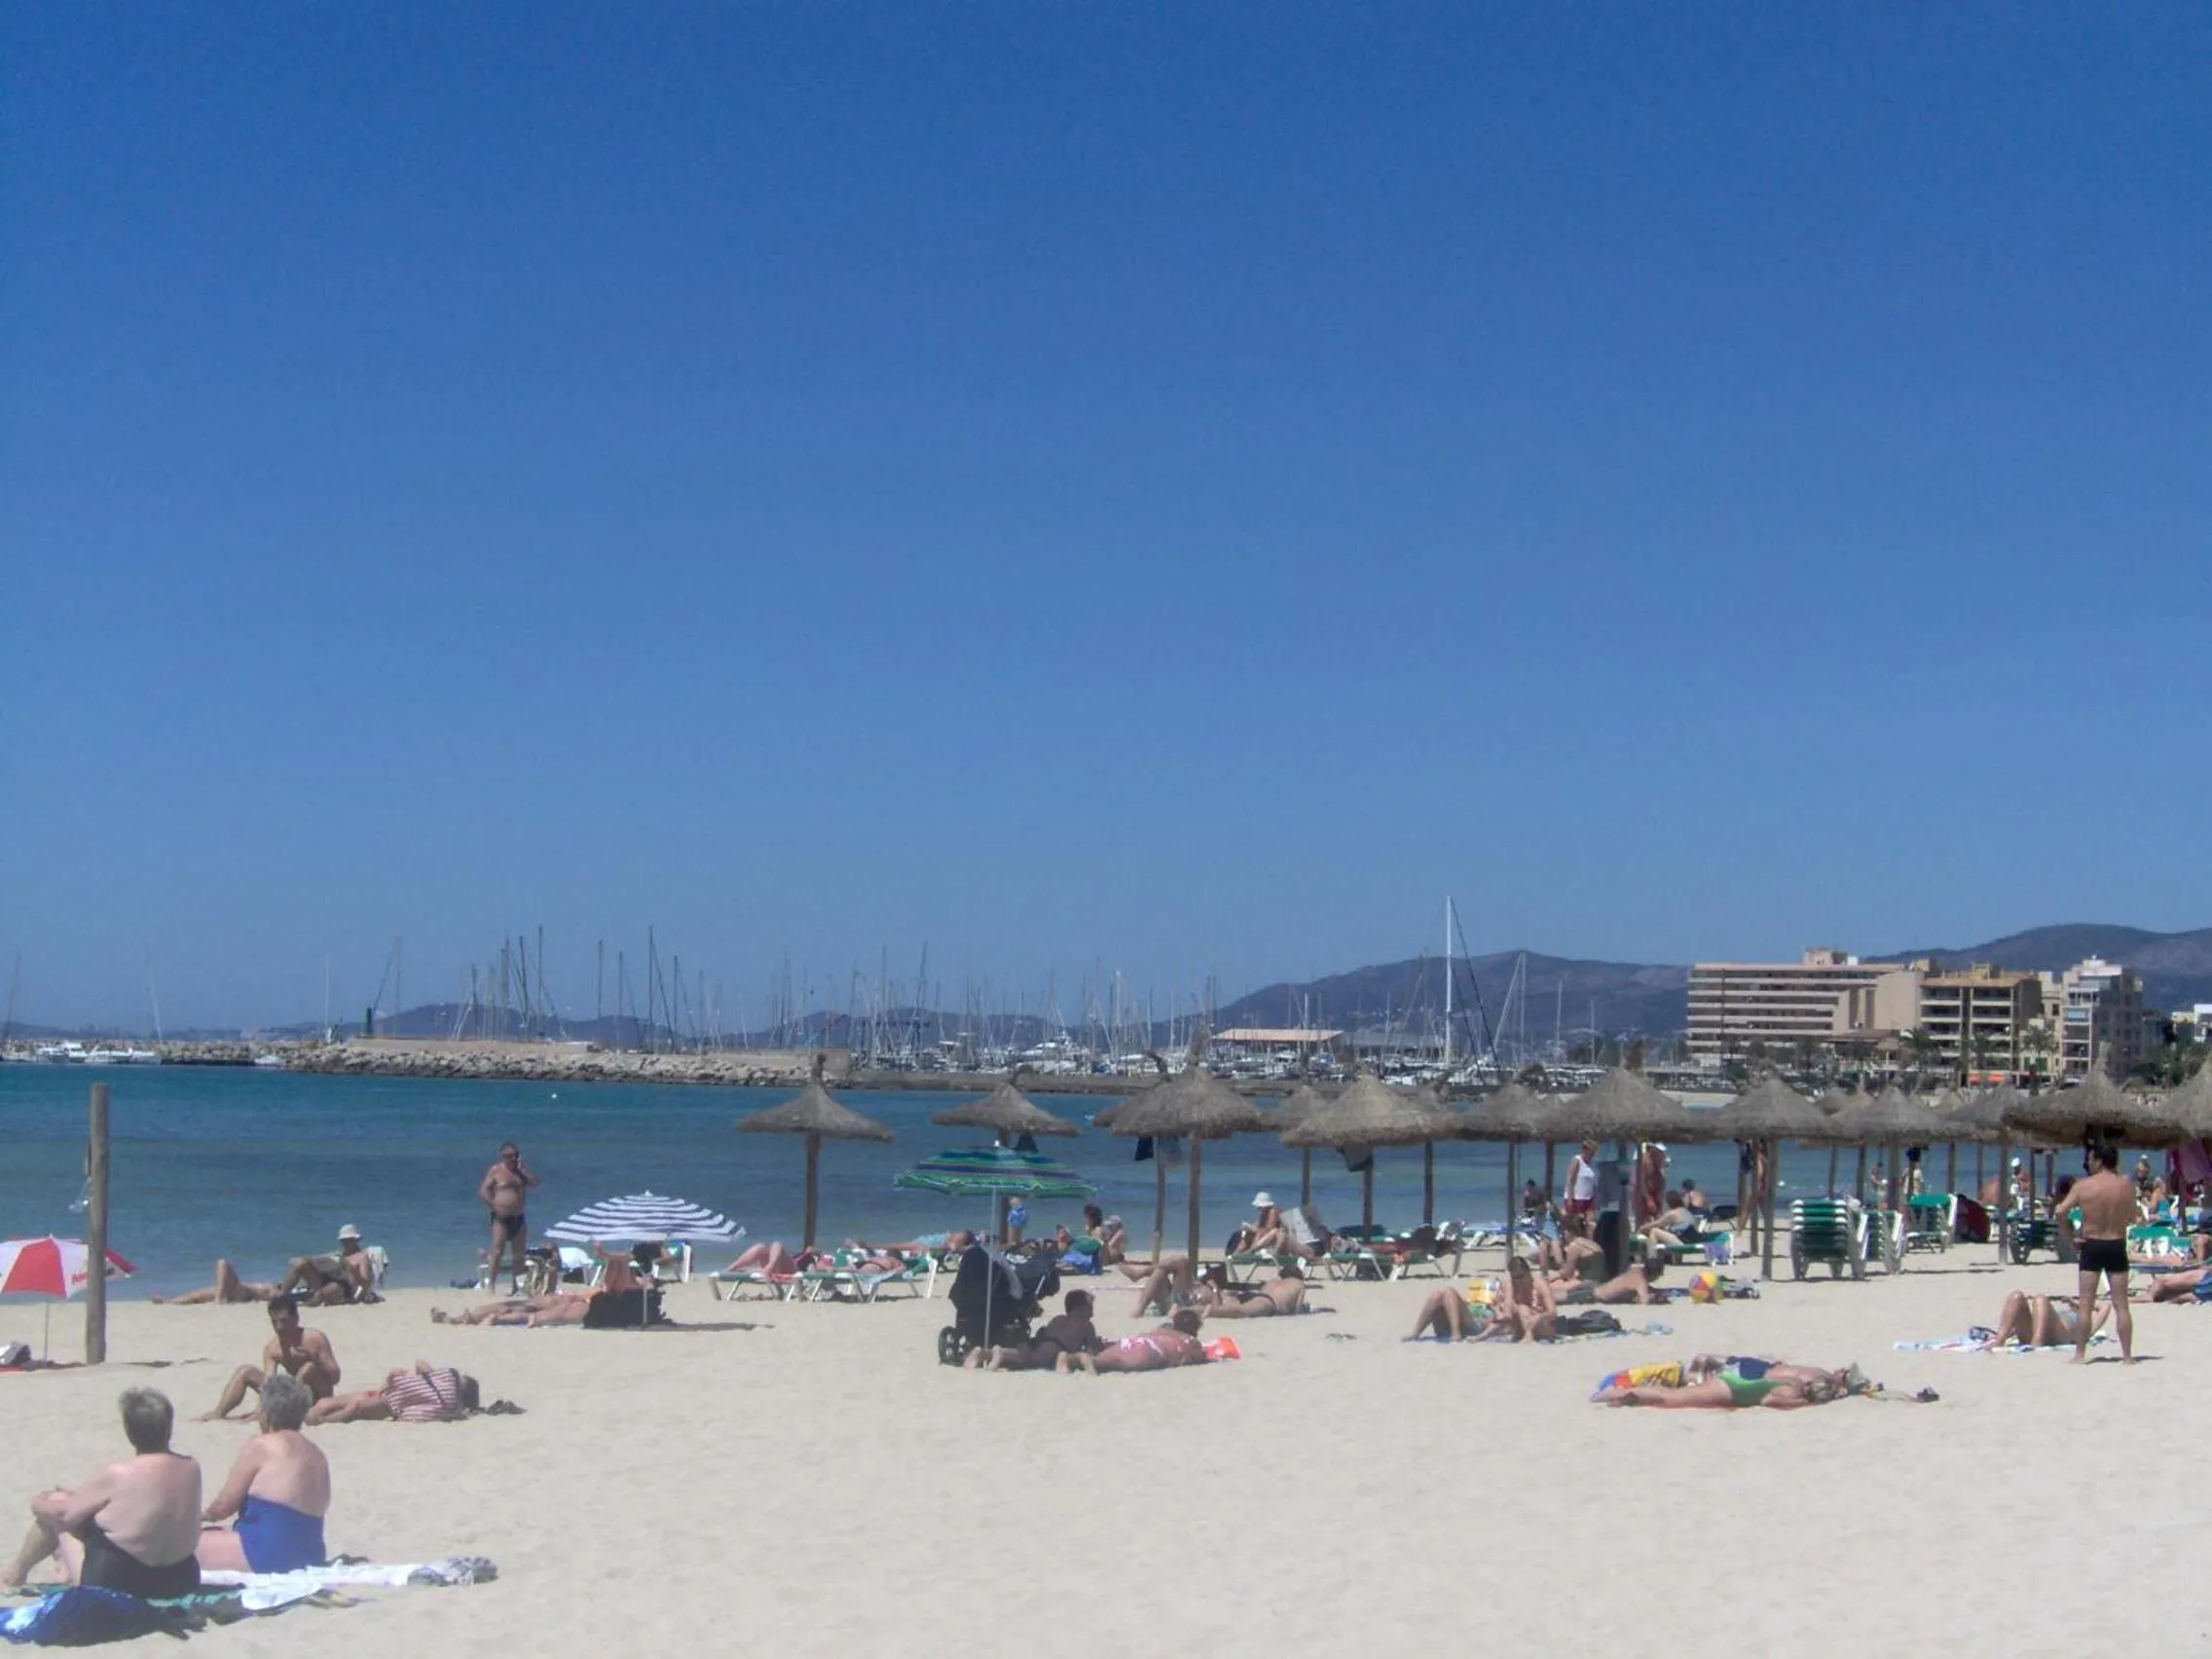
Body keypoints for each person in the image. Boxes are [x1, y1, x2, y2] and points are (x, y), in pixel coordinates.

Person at [5, 1389, 202, 1596]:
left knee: (57, 1504)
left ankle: (15, 1575)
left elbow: (64, 1514)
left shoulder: (120, 1473)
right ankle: (58, 1568)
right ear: (168, 1426)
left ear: (129, 1430)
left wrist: (37, 1502)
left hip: (118, 1584)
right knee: (81, 1509)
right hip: (180, 1581)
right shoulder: (191, 1468)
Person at [194, 1373, 329, 1574]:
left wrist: (202, 1516)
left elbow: (224, 1506)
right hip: (311, 1554)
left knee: (181, 1544)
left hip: (268, 1553)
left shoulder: (262, 1445)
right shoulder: (316, 1453)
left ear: (267, 1414)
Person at [198, 1295, 341, 1421]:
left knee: (308, 1368)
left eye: (284, 1321)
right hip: (292, 1396)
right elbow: (268, 1383)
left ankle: (276, 1409)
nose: (279, 1327)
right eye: (275, 1322)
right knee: (245, 1371)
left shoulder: (315, 1339)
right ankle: (219, 1412)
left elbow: (335, 1377)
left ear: (296, 1318)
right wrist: (261, 1408)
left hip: (319, 1396)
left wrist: (315, 1359)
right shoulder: (273, 1348)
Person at [2058, 1140, 2137, 1363]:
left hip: (2092, 1245)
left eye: (2090, 1159)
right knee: (2122, 1305)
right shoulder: (2126, 1185)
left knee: (2085, 1304)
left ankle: (2080, 1355)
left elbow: (2060, 1212)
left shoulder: (2083, 1186)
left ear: (2100, 1161)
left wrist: (2069, 1238)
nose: (2088, 1163)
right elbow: (2132, 1217)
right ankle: (2127, 1356)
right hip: (2116, 1244)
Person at [1409, 1258, 1557, 1343]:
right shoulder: (1510, 1285)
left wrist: (1497, 1311)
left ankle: (1456, 1334)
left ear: (1528, 1272)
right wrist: (1494, 1307)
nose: (1517, 1281)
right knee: (1436, 1295)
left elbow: (1551, 1312)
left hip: (1481, 1324)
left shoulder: (1540, 1285)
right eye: (1514, 1277)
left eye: (1520, 1277)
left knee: (1448, 1291)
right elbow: (1506, 1313)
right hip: (1480, 1317)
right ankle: (1415, 1333)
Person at [966, 1289, 1101, 1371]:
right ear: (1078, 1308)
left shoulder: (1058, 1319)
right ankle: (999, 1353)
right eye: (1090, 1309)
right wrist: (1098, 1345)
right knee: (1030, 1362)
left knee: (1023, 1356)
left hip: (1036, 1343)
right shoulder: (1086, 1325)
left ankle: (985, 1353)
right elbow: (1092, 1350)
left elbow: (1044, 1333)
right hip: (1055, 1349)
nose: (1092, 1313)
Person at [306, 1362, 480, 1425]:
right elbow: (416, 1414)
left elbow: (420, 1364)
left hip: (388, 1398)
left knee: (352, 1405)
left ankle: (321, 1420)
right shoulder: (448, 1406)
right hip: (389, 1399)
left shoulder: (447, 1378)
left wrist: (429, 1377)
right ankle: (319, 1418)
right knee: (346, 1404)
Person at [1598, 1372, 1844, 1410]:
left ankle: (1626, 1395)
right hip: (1729, 1391)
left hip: (1733, 1383)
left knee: (1674, 1395)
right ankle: (1616, 1394)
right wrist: (1804, 1404)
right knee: (1672, 1398)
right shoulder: (1794, 1395)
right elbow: (1769, 1401)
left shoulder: (1795, 1383)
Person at [478, 1142, 539, 1294]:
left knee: (519, 1253)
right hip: (501, 1218)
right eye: (509, 1156)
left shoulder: (521, 1172)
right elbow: (483, 1190)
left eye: (515, 1155)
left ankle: (515, 1286)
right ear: (503, 1157)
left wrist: (523, 1170)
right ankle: (492, 1286)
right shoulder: (496, 1170)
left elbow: (535, 1183)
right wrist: (494, 1206)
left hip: (518, 1217)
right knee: (498, 1252)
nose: (513, 1159)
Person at [1067, 1309, 1210, 1374]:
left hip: (1137, 1340)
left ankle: (1073, 1358)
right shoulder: (1188, 1340)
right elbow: (1199, 1357)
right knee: (1112, 1363)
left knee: (1108, 1359)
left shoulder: (1162, 1330)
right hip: (1151, 1350)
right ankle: (1087, 1360)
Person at [276, 1226, 377, 1306]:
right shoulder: (338, 1254)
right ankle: (281, 1296)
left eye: (349, 1240)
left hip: (344, 1287)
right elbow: (318, 1260)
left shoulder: (362, 1257)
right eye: (344, 1240)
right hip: (326, 1279)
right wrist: (305, 1260)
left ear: (355, 1240)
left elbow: (366, 1283)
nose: (346, 1243)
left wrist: (352, 1271)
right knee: (301, 1264)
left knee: (325, 1292)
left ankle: (310, 1300)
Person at [1978, 1290, 2112, 1347]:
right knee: (2016, 1296)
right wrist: (2010, 1333)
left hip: (2058, 1336)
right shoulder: (2060, 1312)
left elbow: (2105, 1306)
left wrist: (2081, 1304)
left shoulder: (2087, 1324)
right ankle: (1999, 1340)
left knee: (2040, 1299)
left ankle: (2037, 1342)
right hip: (2037, 1330)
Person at [1198, 1265, 1308, 1318]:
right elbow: (1297, 1309)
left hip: (1255, 1295)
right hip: (1267, 1302)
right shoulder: (1299, 1284)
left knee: (1226, 1307)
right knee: (1240, 1311)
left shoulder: (1273, 1280)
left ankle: (1201, 1309)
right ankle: (1207, 1311)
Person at [153, 1260, 279, 1306]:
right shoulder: (269, 1288)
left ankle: (219, 1299)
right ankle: (170, 1302)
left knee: (222, 1263)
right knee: (198, 1295)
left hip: (242, 1291)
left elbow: (276, 1295)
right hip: (237, 1291)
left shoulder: (272, 1289)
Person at [1564, 1141, 1599, 1237]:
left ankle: (1588, 1243)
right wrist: (1570, 1199)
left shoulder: (1591, 1163)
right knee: (1574, 1226)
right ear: (1584, 1150)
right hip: (1576, 1198)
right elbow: (1570, 1180)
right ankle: (1571, 1243)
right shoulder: (1576, 1160)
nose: (1592, 1155)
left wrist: (1595, 1198)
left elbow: (1593, 1182)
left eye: (1594, 1153)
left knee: (1591, 1225)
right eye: (1591, 1152)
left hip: (1588, 1199)